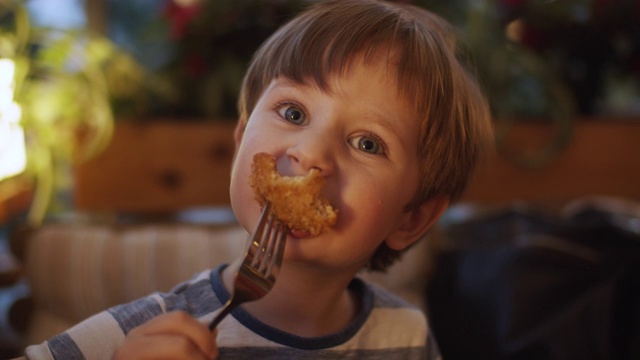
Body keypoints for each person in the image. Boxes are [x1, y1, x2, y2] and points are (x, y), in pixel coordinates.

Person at [20, 0, 493, 358]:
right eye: (293, 111)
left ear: (411, 217)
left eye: (367, 143)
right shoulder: (141, 334)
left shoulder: (407, 337)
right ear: (242, 139)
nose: (310, 154)